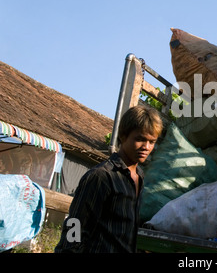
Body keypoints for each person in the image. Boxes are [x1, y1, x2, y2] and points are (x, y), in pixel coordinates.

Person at [54, 105, 164, 253]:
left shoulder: (139, 177)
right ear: (123, 136)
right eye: (140, 139)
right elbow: (75, 228)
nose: (146, 147)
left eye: (152, 142)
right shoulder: (101, 177)